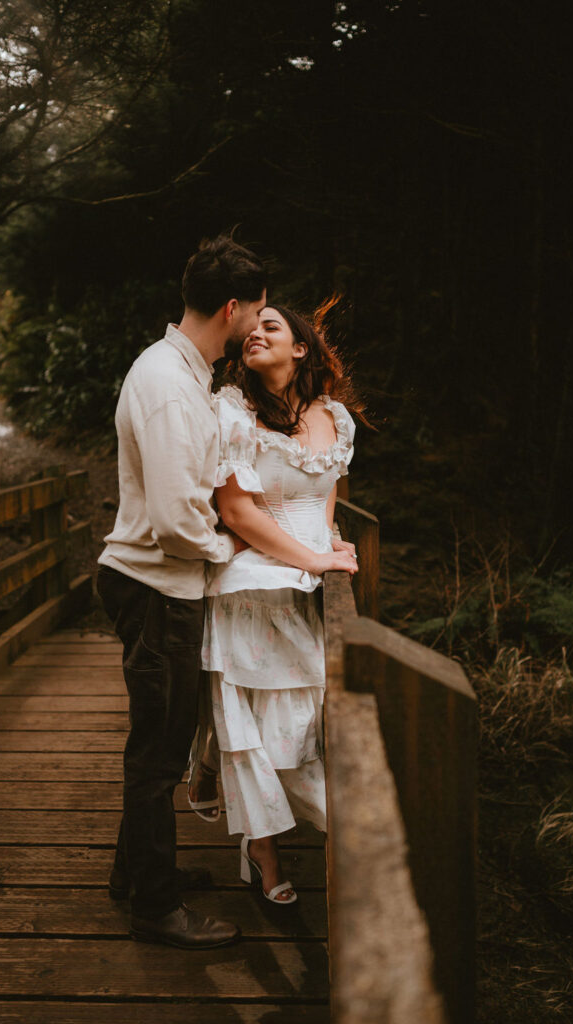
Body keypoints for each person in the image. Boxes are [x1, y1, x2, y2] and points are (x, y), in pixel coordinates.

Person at [96, 235, 266, 948]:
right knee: (158, 755)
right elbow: (172, 519)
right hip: (157, 585)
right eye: (253, 317)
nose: (255, 329)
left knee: (158, 746)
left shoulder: (180, 372)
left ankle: (137, 874)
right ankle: (155, 908)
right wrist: (225, 546)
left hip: (160, 586)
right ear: (230, 308)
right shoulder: (168, 385)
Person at [189, 302, 361, 904]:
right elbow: (235, 512)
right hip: (252, 585)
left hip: (309, 586)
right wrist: (311, 558)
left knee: (304, 721)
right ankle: (266, 855)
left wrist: (330, 541)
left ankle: (343, 842)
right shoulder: (233, 412)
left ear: (301, 348)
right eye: (251, 327)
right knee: (251, 730)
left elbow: (325, 499)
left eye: (272, 326)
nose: (255, 334)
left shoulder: (332, 417)